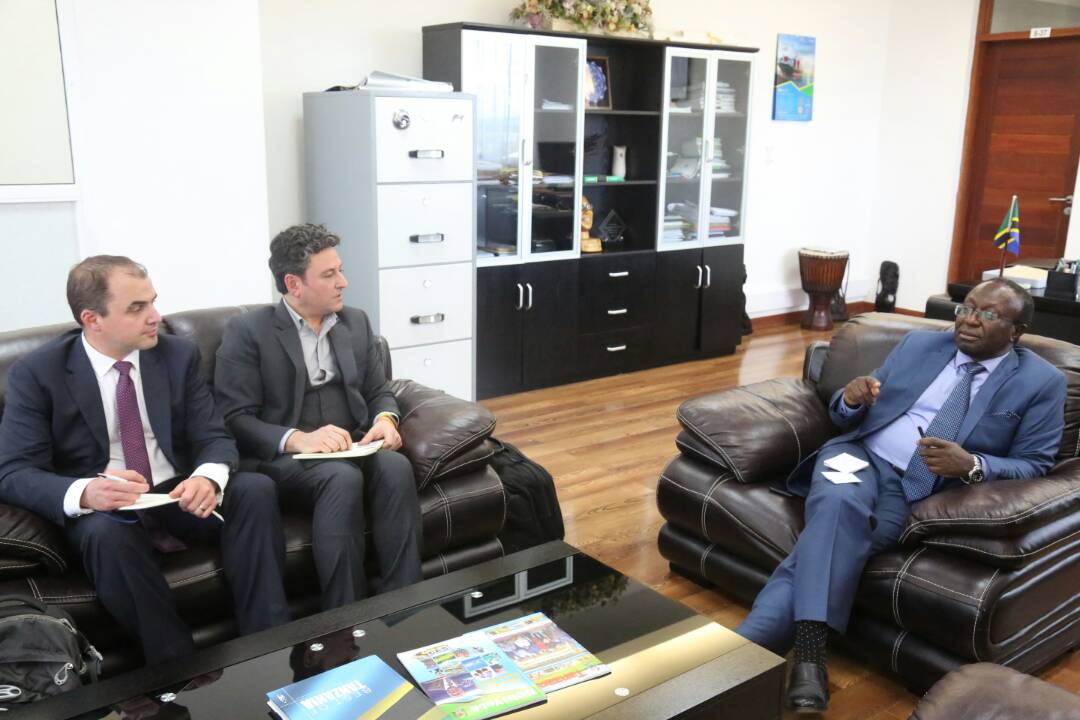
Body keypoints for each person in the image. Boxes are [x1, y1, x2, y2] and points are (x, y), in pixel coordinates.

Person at [736, 278, 1066, 713]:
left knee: (833, 541)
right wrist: (851, 399)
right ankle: (810, 658)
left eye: (988, 315)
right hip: (857, 456)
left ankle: (736, 659)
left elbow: (1035, 463)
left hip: (912, 490)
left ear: (1016, 332)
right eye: (966, 308)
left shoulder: (1042, 382)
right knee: (839, 504)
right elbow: (846, 411)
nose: (969, 320)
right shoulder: (918, 346)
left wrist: (972, 464)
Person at [0, 256, 290, 666]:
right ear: (92, 319)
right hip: (105, 507)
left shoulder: (177, 355)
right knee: (105, 534)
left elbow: (213, 435)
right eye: (137, 308)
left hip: (174, 491)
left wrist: (207, 478)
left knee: (255, 490)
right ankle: (178, 669)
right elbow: (13, 471)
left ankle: (269, 650)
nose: (155, 316)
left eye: (153, 301)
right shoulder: (37, 372)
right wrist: (86, 492)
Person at [214, 223, 422, 610]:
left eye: (340, 270)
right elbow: (234, 417)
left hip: (351, 445)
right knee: (339, 477)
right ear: (293, 284)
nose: (343, 282)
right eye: (329, 275)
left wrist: (385, 420)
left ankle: (405, 608)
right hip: (287, 460)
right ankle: (346, 617)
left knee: (395, 466)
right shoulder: (248, 332)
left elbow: (379, 390)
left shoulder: (355, 322)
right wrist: (299, 439)